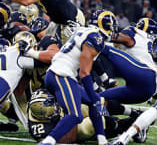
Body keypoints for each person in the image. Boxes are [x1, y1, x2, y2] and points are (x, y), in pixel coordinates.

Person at [39, 10, 116, 145]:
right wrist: (95, 98)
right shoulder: (96, 38)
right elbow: (84, 73)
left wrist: (94, 98)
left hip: (57, 73)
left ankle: (102, 141)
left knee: (94, 101)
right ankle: (48, 142)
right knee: (75, 115)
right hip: (61, 75)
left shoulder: (84, 31)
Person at [27, 89, 137, 143]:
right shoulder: (39, 129)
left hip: (68, 111)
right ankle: (125, 126)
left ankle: (133, 112)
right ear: (44, 116)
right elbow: (68, 139)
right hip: (69, 130)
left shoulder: (44, 94)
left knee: (95, 102)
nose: (55, 109)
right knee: (91, 125)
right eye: (52, 112)